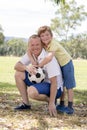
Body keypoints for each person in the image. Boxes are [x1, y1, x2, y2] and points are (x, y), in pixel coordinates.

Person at [14, 34, 63, 116]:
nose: (35, 47)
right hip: (41, 82)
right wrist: (27, 68)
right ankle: (26, 104)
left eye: (37, 44)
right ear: (29, 46)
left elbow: (54, 82)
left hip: (55, 88)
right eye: (32, 45)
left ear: (42, 45)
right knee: (18, 74)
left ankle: (51, 100)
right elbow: (16, 66)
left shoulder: (48, 58)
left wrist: (51, 103)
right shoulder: (31, 53)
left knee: (31, 92)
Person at [36, 25, 76, 114]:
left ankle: (70, 107)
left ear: (51, 36)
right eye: (42, 36)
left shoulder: (53, 44)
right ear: (40, 38)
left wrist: (39, 65)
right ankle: (61, 104)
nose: (45, 37)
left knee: (69, 86)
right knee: (62, 84)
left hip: (66, 63)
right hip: (60, 65)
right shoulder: (45, 45)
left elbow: (49, 57)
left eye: (47, 35)